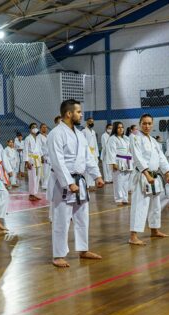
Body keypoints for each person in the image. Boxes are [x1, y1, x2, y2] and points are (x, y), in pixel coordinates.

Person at [48, 99, 105, 268]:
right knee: (61, 219)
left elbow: (87, 157)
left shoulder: (79, 134)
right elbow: (57, 162)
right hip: (63, 183)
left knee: (82, 218)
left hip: (80, 181)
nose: (81, 115)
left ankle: (83, 249)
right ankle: (58, 255)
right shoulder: (56, 134)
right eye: (79, 112)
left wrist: (97, 176)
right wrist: (68, 183)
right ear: (68, 113)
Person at [129, 114, 169, 246]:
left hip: (155, 177)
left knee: (156, 205)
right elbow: (137, 158)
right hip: (143, 176)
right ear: (139, 124)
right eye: (144, 123)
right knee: (140, 205)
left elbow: (161, 158)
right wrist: (146, 174)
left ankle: (154, 229)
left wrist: (167, 172)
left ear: (152, 124)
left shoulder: (153, 141)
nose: (147, 126)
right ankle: (133, 235)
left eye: (149, 123)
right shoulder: (135, 138)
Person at [105, 122, 132, 206]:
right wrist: (113, 163)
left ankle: (125, 199)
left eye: (122, 127)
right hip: (118, 161)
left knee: (125, 182)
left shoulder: (126, 138)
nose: (121, 129)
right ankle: (118, 199)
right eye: (119, 128)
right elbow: (111, 152)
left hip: (127, 161)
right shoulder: (112, 138)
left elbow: (130, 150)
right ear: (115, 129)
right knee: (118, 181)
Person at [25, 123, 42, 201]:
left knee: (38, 176)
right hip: (31, 158)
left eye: (36, 127)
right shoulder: (27, 138)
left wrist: (41, 156)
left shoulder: (38, 138)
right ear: (30, 129)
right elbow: (25, 150)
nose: (35, 128)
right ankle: (31, 194)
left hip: (38, 158)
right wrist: (26, 161)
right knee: (32, 176)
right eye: (33, 127)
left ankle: (35, 193)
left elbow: (39, 148)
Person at [82, 118, 100, 190]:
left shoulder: (93, 131)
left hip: (93, 152)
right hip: (87, 151)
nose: (91, 123)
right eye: (90, 122)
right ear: (87, 123)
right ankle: (87, 185)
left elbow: (95, 143)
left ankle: (92, 184)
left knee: (93, 167)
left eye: (92, 122)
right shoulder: (83, 131)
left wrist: (97, 154)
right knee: (87, 169)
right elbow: (83, 143)